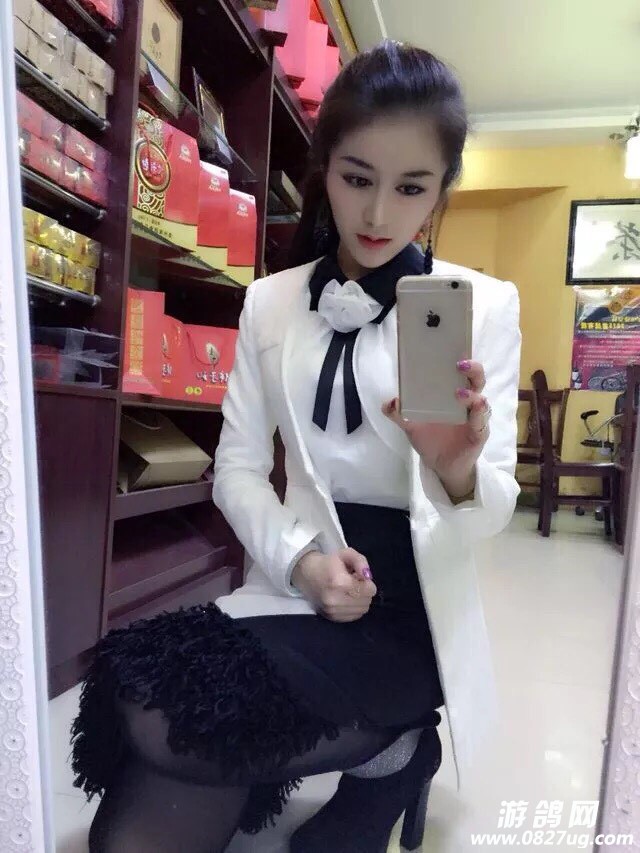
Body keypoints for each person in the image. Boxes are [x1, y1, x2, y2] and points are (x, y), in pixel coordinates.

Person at [71, 40, 521, 853]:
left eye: (411, 187)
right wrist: (302, 562)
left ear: (442, 187)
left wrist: (456, 469)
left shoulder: (484, 308)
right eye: (357, 178)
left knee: (176, 733)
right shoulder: (271, 304)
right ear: (325, 167)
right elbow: (237, 470)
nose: (378, 215)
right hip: (303, 590)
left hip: (413, 617)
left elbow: (491, 513)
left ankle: (398, 746)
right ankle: (388, 754)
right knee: (141, 706)